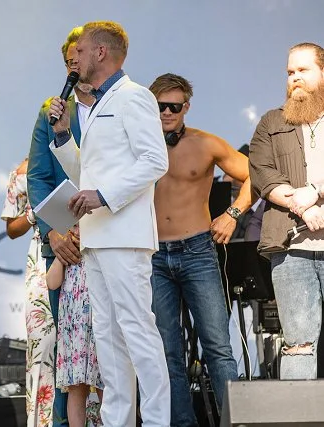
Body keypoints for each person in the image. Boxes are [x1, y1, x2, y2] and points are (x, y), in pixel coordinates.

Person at [47, 21, 170, 427]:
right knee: (108, 338)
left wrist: (104, 196)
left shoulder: (134, 96)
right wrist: (64, 136)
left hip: (126, 233)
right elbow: (88, 175)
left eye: (79, 52)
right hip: (97, 237)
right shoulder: (94, 104)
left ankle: (155, 421)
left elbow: (155, 161)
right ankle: (117, 421)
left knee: (138, 331)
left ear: (100, 52)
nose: (74, 60)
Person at [148, 73, 250, 425]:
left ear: (186, 107)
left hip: (197, 252)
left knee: (218, 348)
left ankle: (233, 421)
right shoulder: (137, 146)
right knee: (166, 353)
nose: (166, 112)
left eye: (173, 106)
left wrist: (233, 215)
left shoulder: (206, 143)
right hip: (152, 257)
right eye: (159, 106)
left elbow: (256, 175)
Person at [27, 26, 96, 427]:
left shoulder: (118, 104)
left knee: (115, 350)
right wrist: (54, 233)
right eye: (68, 61)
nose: (74, 66)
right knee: (68, 356)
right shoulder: (50, 111)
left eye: (80, 58)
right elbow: (38, 177)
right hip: (65, 243)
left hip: (113, 237)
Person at [249, 42, 324, 380]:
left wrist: (316, 191)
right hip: (291, 247)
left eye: (303, 70)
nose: (295, 78)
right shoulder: (271, 122)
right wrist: (302, 206)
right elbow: (262, 172)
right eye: (290, 72)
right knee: (298, 343)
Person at [1, 157, 56, 426]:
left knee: (86, 348)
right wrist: (33, 214)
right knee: (42, 344)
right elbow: (12, 228)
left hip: (85, 251)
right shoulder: (23, 171)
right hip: (42, 257)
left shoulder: (85, 155)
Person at [46, 224, 103, 427]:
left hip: (100, 324)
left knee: (106, 380)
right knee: (76, 386)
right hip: (75, 329)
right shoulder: (67, 255)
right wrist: (61, 257)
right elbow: (52, 283)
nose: (78, 232)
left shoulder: (103, 251)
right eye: (74, 227)